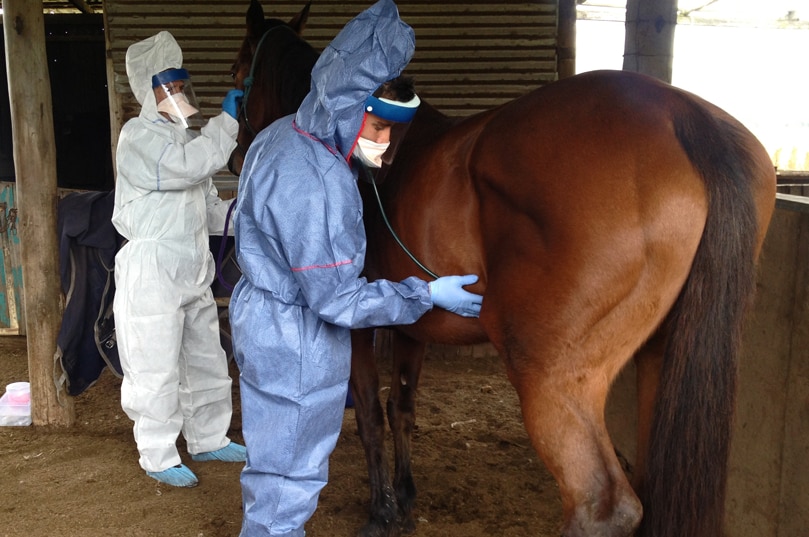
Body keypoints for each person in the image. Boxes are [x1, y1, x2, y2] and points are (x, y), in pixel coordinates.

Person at [229, 0, 484, 534]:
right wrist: (424, 295)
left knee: (274, 468)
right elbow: (337, 299)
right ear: (346, 104)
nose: (385, 146)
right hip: (295, 339)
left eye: (395, 129)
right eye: (377, 125)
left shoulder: (281, 134)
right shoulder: (321, 182)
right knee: (289, 482)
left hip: (266, 319)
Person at [112, 31, 247, 488]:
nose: (177, 94)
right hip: (152, 270)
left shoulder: (186, 140)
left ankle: (208, 437)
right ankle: (158, 453)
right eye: (166, 86)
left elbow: (207, 206)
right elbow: (189, 167)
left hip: (192, 267)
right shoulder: (139, 137)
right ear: (147, 92)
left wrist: (248, 213)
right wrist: (227, 124)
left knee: (206, 357)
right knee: (156, 365)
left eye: (179, 84)